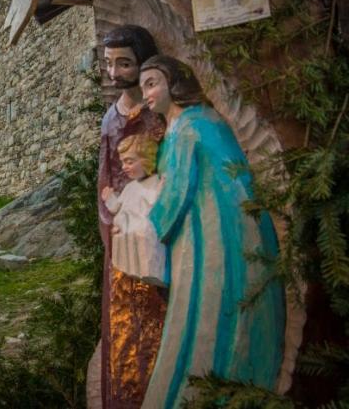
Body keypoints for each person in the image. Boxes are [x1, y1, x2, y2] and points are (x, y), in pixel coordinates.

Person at [139, 55, 285, 407]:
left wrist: (144, 228)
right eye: (144, 86)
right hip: (205, 228)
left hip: (218, 234)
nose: (146, 93)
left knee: (207, 309)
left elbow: (177, 192)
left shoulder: (191, 125)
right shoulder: (185, 124)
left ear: (174, 83)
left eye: (152, 83)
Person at [95, 25, 167, 408]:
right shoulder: (111, 117)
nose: (114, 72)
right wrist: (109, 219)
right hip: (121, 231)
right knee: (121, 322)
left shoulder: (156, 113)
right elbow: (105, 175)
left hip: (152, 226)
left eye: (124, 63)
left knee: (154, 316)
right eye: (109, 63)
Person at [101, 134, 167, 287]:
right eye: (123, 162)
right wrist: (110, 199)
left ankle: (147, 268)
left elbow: (156, 203)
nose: (124, 167)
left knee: (142, 231)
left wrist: (162, 189)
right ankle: (131, 264)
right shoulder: (130, 187)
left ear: (146, 161)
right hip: (125, 231)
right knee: (122, 232)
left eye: (129, 162)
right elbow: (117, 206)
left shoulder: (152, 182)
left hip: (141, 227)